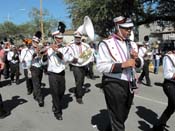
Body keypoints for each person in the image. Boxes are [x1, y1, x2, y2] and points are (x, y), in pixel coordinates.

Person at [96, 16, 143, 131]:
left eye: (130, 29)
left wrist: (136, 59)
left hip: (129, 83)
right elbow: (100, 66)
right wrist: (122, 65)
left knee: (122, 115)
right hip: (113, 82)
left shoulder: (132, 44)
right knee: (117, 117)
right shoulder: (105, 44)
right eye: (126, 29)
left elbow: (140, 63)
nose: (129, 31)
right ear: (118, 27)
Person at [46, 28, 69, 120]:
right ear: (54, 38)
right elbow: (42, 59)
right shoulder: (49, 48)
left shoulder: (65, 48)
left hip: (61, 72)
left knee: (62, 91)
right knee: (54, 92)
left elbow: (65, 59)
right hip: (52, 73)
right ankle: (57, 111)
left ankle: (55, 103)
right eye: (58, 38)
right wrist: (43, 52)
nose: (60, 40)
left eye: (61, 38)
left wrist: (56, 50)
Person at [152, 49, 175, 131]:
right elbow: (167, 75)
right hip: (169, 84)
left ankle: (159, 125)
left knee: (171, 107)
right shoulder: (168, 57)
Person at [67, 32, 91, 104]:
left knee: (82, 80)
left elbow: (88, 54)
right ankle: (79, 96)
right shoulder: (70, 45)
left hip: (83, 65)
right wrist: (76, 60)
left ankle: (78, 90)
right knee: (79, 80)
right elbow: (68, 55)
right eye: (76, 37)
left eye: (79, 38)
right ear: (74, 38)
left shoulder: (85, 45)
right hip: (75, 65)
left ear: (81, 38)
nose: (77, 39)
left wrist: (87, 60)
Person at [30, 31, 45, 107]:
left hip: (40, 67)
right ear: (32, 41)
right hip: (33, 67)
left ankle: (35, 94)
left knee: (38, 82)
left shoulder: (40, 48)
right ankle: (40, 99)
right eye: (34, 42)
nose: (35, 43)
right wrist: (35, 53)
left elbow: (43, 58)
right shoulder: (29, 49)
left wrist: (42, 53)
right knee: (36, 83)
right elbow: (28, 58)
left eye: (37, 42)